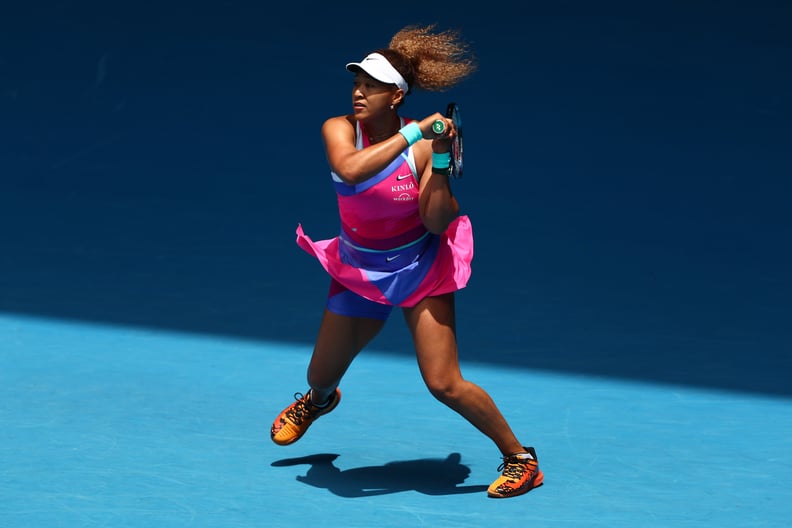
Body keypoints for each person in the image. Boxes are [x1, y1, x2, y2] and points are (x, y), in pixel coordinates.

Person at [270, 24, 543, 499]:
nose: (358, 92)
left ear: (395, 96)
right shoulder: (339, 129)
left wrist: (437, 160)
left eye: (371, 87)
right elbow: (351, 169)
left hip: (420, 269)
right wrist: (418, 130)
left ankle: (521, 459)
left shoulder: (419, 150)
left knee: (444, 383)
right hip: (359, 270)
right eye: (356, 83)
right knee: (319, 376)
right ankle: (319, 401)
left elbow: (437, 222)